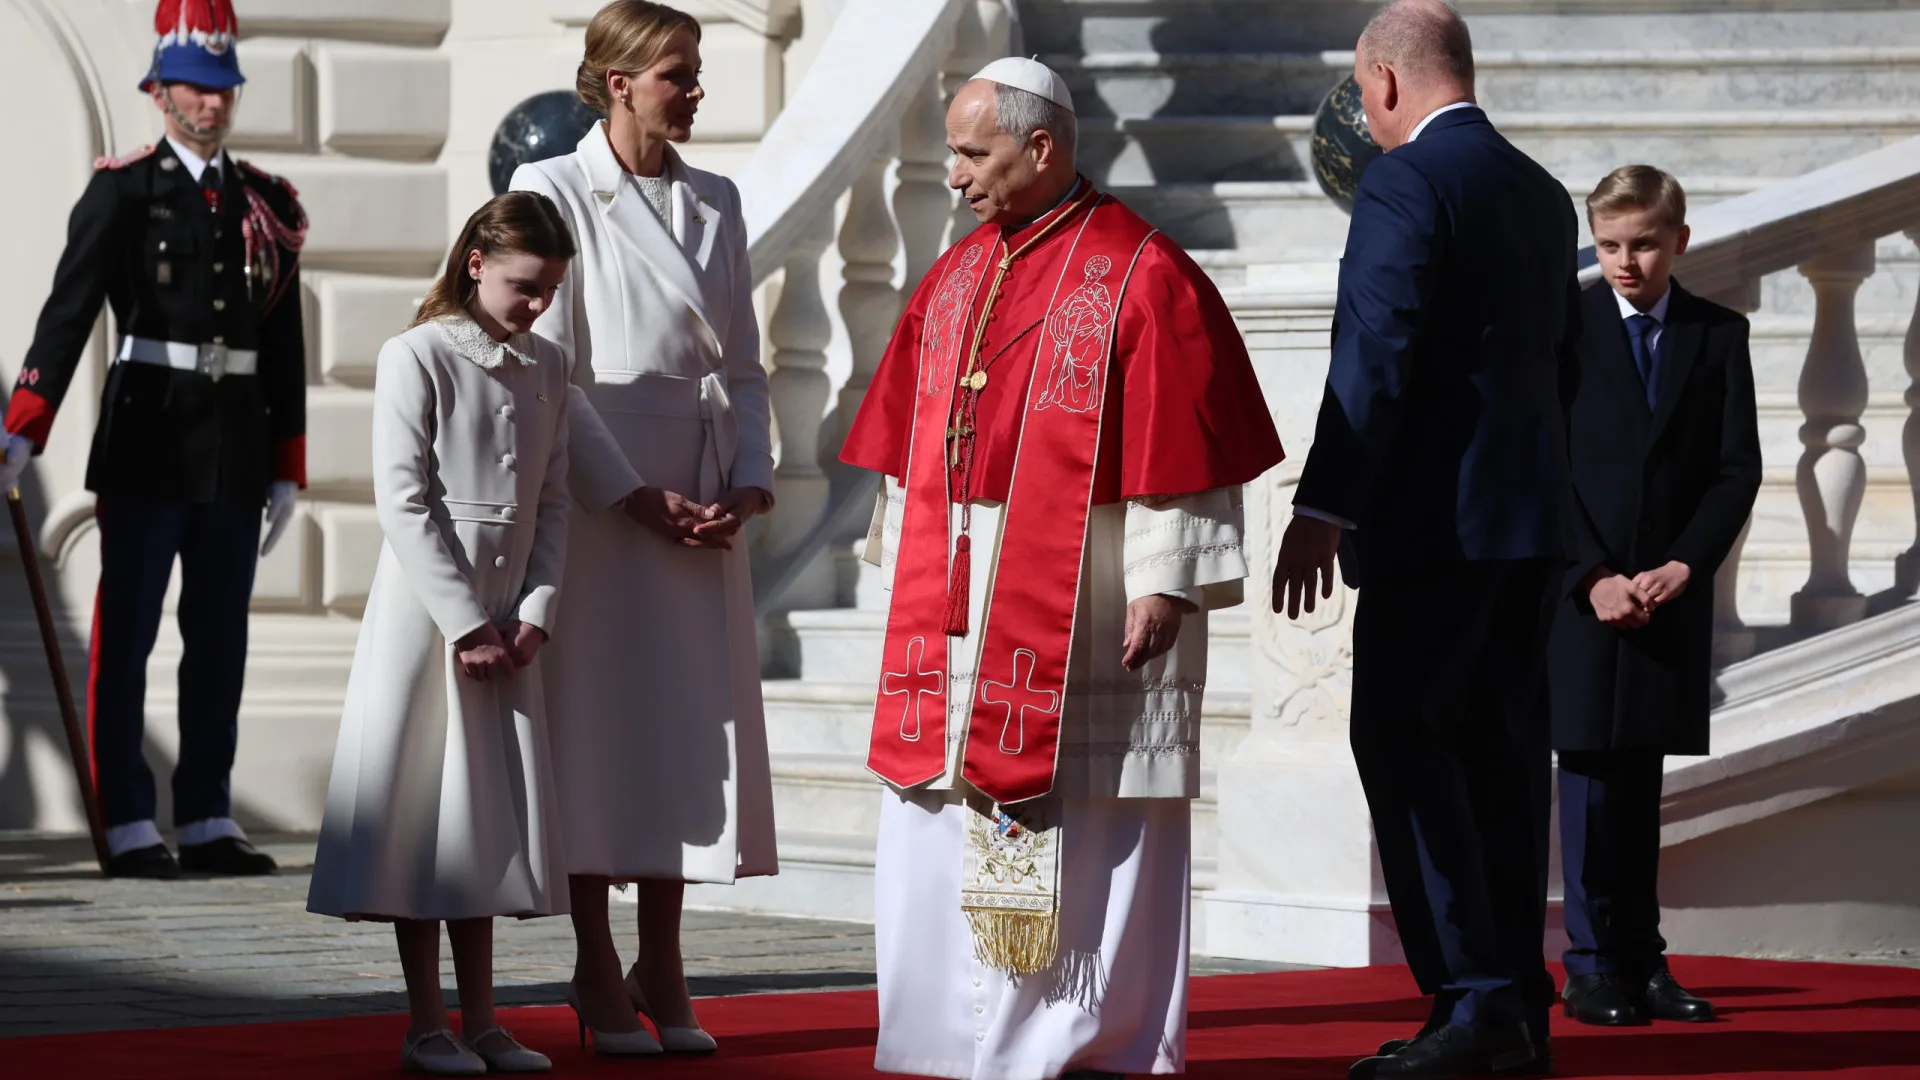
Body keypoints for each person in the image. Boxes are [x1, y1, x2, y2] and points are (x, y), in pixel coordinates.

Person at [840, 57, 1282, 1080]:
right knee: (939, 815)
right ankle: (947, 1038)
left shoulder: (1142, 270)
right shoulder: (957, 271)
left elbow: (1182, 443)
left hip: (1088, 595)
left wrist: (1167, 579)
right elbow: (912, 445)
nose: (952, 176)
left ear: (1042, 149)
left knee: (1093, 822)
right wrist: (906, 557)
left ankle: (1081, 1041)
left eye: (971, 152)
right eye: (951, 151)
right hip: (955, 604)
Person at [1270, 2, 1577, 1076]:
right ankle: (1518, 1004)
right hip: (1526, 527)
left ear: (1382, 83)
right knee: (1499, 755)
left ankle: (1475, 995)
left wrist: (1324, 505)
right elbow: (1561, 363)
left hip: (1433, 529)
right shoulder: (1541, 193)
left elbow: (1378, 348)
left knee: (1403, 743)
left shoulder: (1404, 181)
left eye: (1363, 94)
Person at [509, 0, 776, 1055]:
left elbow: (747, 364)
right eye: (678, 71)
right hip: (606, 499)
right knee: (599, 726)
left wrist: (750, 480)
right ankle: (592, 959)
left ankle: (663, 959)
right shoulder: (552, 188)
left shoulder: (718, 197)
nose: (696, 87)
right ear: (618, 81)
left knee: (684, 731)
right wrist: (631, 493)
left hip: (703, 494)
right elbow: (553, 373)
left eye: (696, 67)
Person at [0, 0, 305, 879]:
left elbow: (283, 340)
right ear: (160, 91)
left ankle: (207, 813)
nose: (212, 106)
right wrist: (27, 426)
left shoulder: (267, 203)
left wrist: (288, 464)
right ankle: (129, 817)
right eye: (196, 90)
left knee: (220, 637)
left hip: (236, 448)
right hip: (148, 439)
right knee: (127, 632)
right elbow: (68, 316)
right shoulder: (125, 188)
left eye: (222, 91)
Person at [305, 191, 579, 1077]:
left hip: (512, 620)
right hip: (429, 620)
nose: (536, 305)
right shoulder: (416, 353)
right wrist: (465, 622)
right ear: (476, 265)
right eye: (522, 286)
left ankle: (486, 1018)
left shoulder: (550, 364)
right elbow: (403, 498)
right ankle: (428, 1021)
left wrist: (534, 611)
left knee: (486, 818)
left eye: (547, 291)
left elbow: (555, 500)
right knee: (426, 815)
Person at [1551, 165, 1757, 1029]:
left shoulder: (1718, 334)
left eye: (1641, 243)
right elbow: (1543, 467)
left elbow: (1734, 468)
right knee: (1591, 781)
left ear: (1679, 237)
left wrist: (1684, 565)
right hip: (1582, 596)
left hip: (1667, 595)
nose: (1624, 261)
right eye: (1607, 245)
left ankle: (1641, 960)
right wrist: (1591, 577)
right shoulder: (1563, 327)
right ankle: (1591, 965)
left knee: (1641, 786)